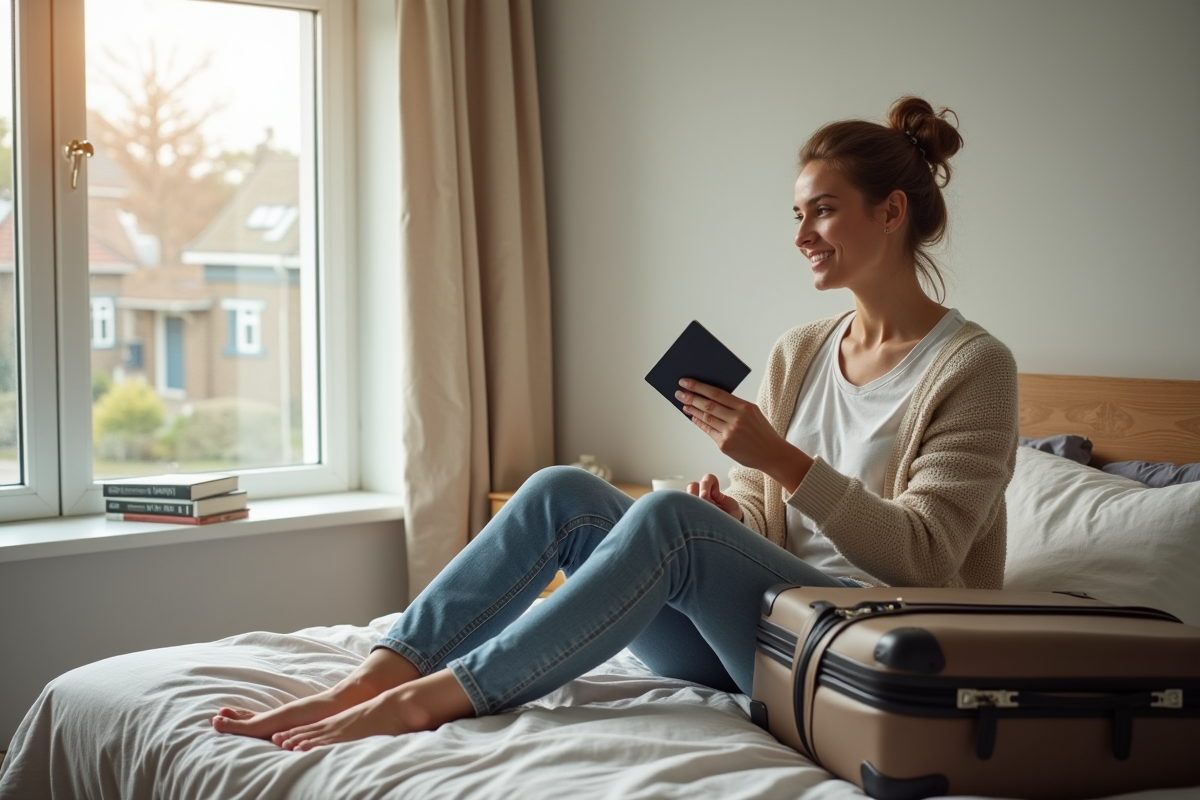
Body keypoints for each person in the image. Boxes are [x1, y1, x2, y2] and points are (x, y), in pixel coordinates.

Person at [211, 95, 1018, 750]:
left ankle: (436, 701)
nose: (801, 235)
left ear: (891, 213)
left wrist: (779, 464)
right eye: (796, 214)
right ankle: (379, 676)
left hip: (858, 659)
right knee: (568, 489)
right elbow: (770, 516)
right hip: (755, 634)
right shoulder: (802, 349)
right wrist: (731, 512)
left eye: (824, 212)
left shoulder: (973, 368)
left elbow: (926, 556)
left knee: (668, 519)